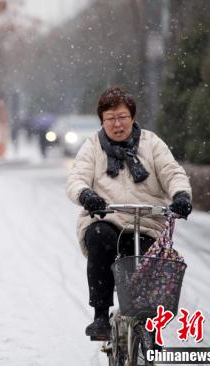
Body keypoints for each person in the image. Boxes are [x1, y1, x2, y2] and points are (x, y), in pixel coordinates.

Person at [65, 86, 193, 338]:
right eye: (110, 118)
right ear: (102, 121)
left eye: (122, 117)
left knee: (147, 265)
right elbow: (76, 178)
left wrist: (181, 195)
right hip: (107, 218)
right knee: (100, 238)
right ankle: (101, 315)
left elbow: (172, 172)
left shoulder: (152, 143)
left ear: (132, 118)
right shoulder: (92, 146)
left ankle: (146, 328)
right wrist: (86, 195)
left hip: (146, 222)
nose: (117, 124)